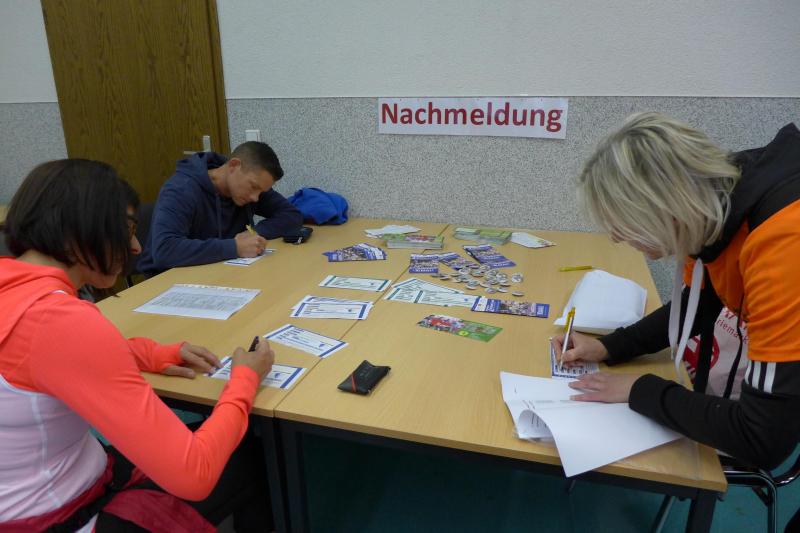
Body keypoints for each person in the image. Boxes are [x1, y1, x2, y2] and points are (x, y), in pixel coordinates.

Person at [0, 159, 276, 531]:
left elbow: (38, 357)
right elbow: (193, 474)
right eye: (127, 229)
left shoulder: (15, 287)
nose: (135, 246)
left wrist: (154, 353)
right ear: (81, 227)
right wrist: (244, 379)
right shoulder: (59, 322)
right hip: (57, 517)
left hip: (53, 485)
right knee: (249, 451)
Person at [554, 113, 800, 528]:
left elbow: (762, 438)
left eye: (621, 223)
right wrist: (610, 346)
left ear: (665, 208)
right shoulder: (712, 212)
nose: (615, 238)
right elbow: (697, 304)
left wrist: (641, 390)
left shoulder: (783, 245)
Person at [138, 141, 303, 276]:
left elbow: (291, 215)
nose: (255, 198)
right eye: (253, 187)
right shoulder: (181, 189)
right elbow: (164, 250)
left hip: (222, 273)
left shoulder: (251, 188)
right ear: (233, 166)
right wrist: (234, 247)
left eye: (261, 191)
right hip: (170, 281)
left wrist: (254, 234)